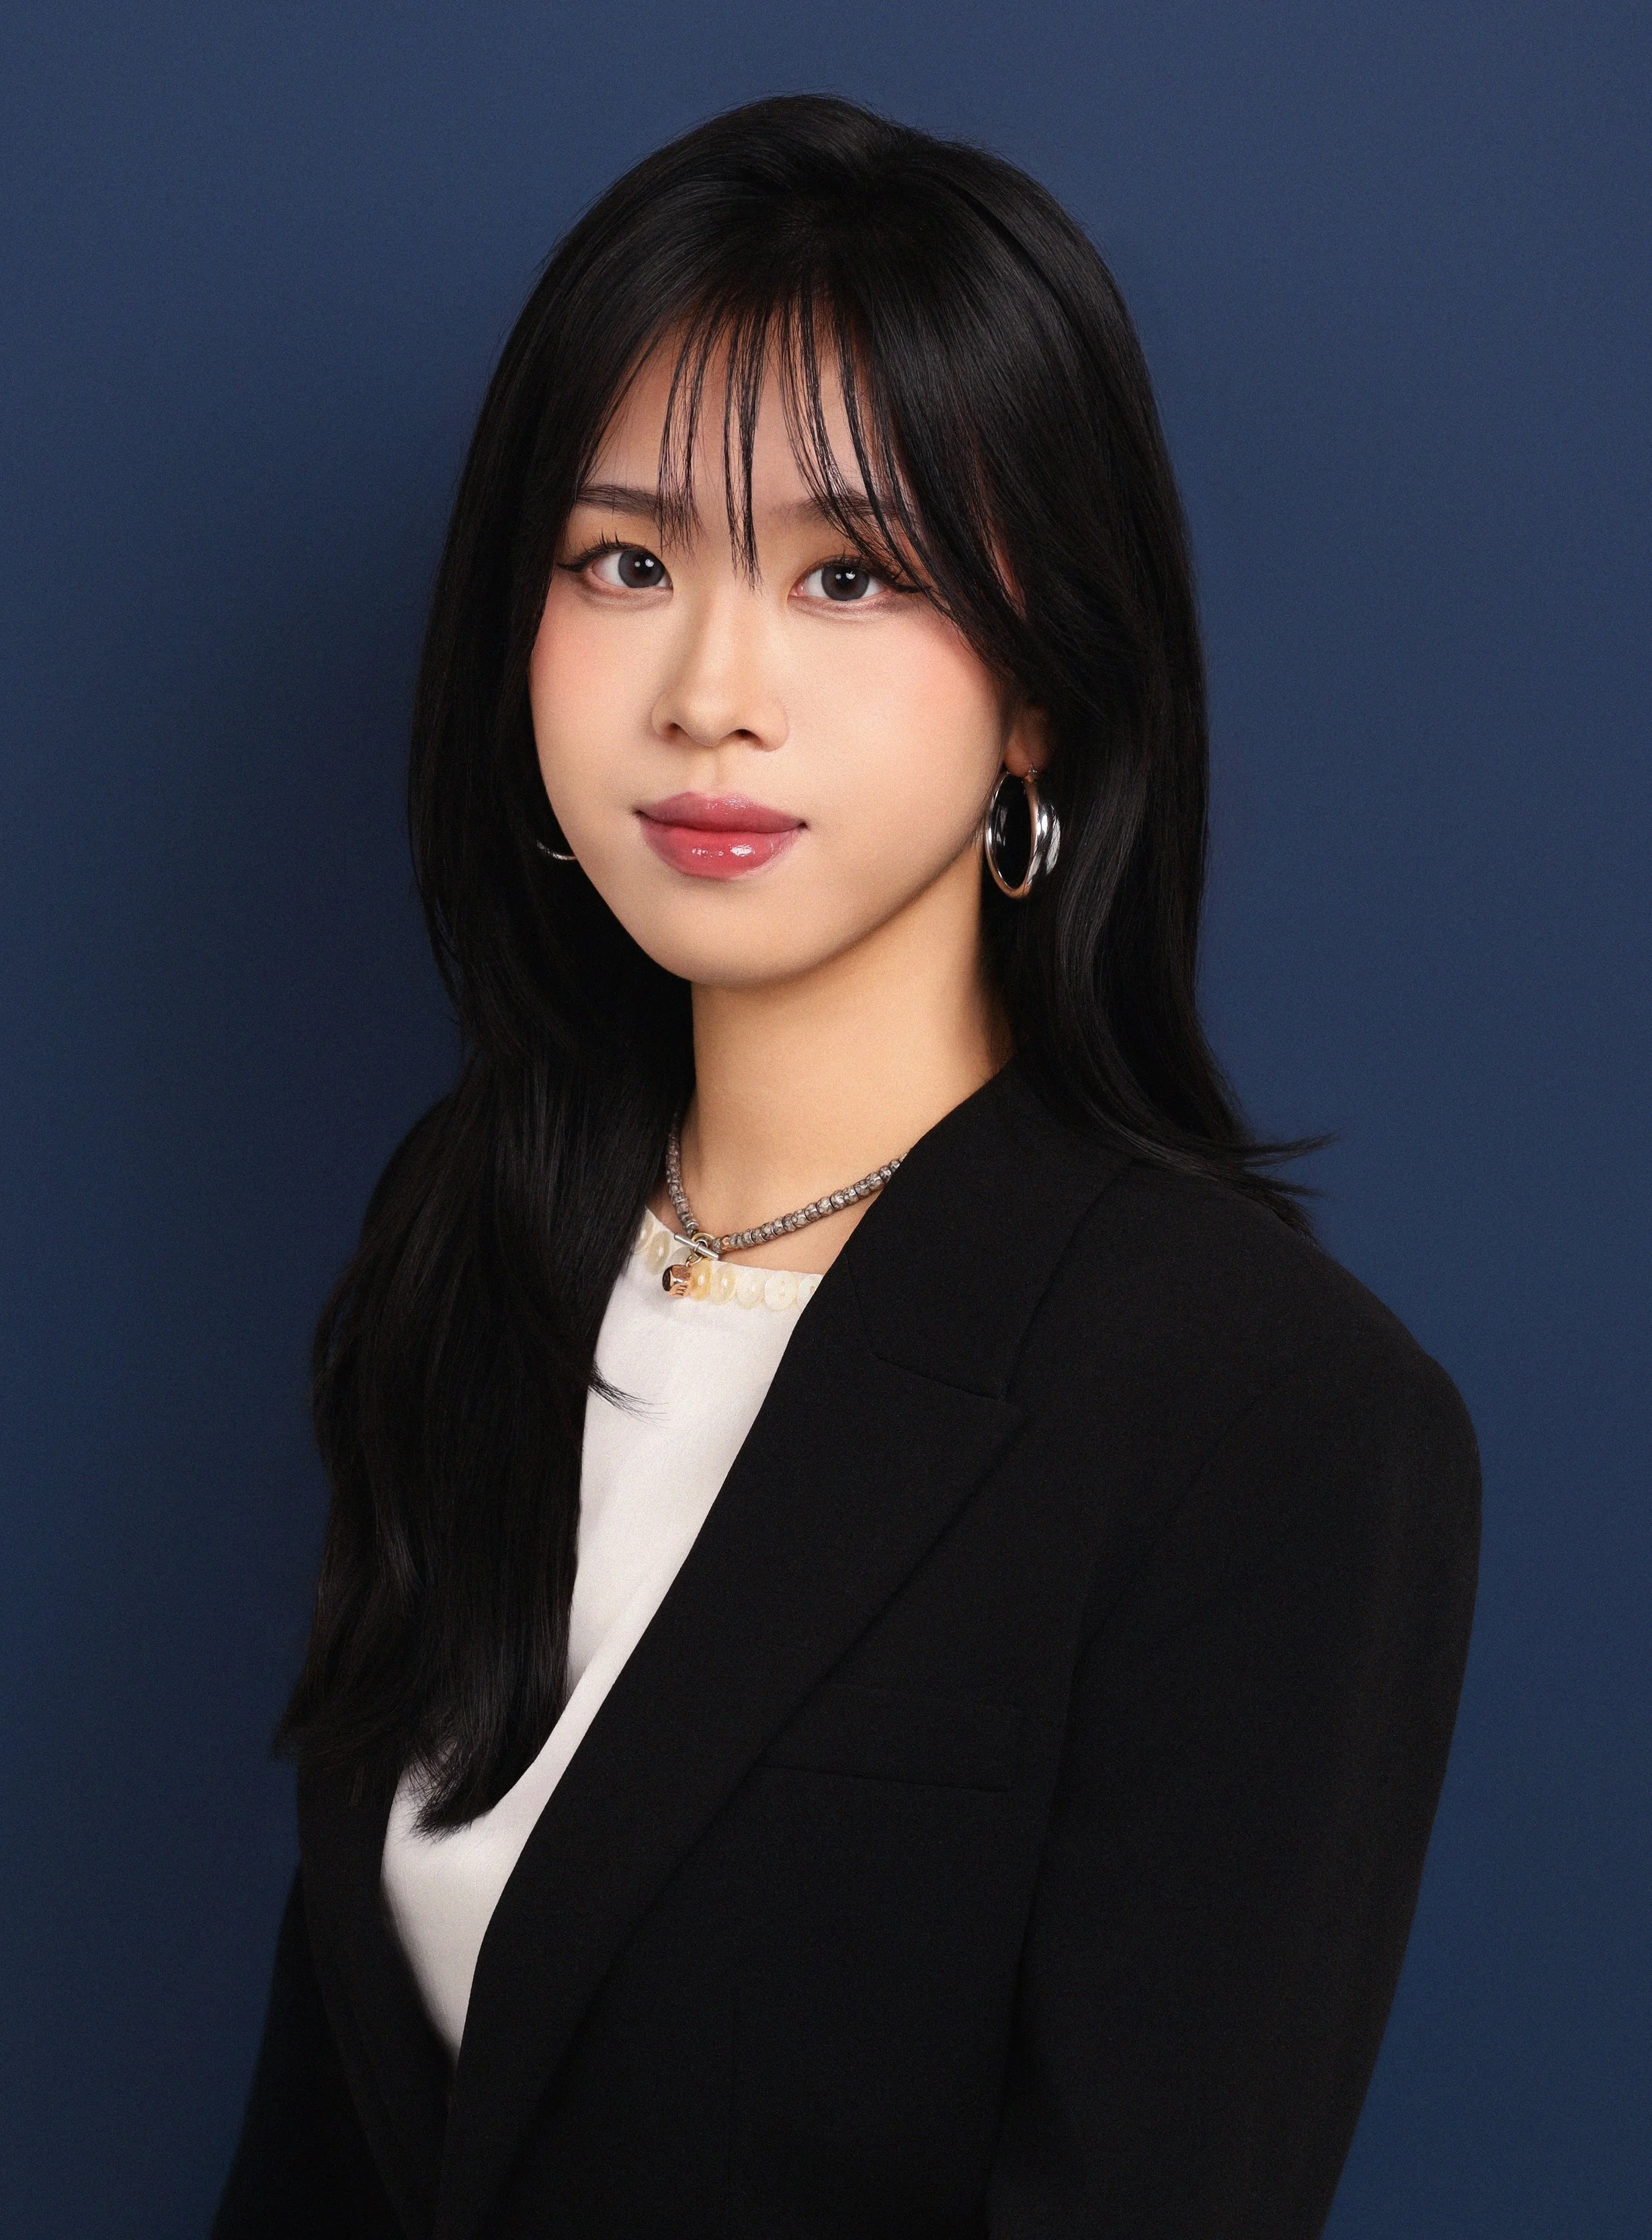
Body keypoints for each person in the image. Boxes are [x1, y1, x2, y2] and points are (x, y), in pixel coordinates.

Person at [213, 94, 1480, 2240]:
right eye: (626, 563)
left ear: (1043, 693)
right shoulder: (478, 1235)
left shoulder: (1266, 1421)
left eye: (848, 574)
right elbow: (339, 2135)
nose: (712, 691)